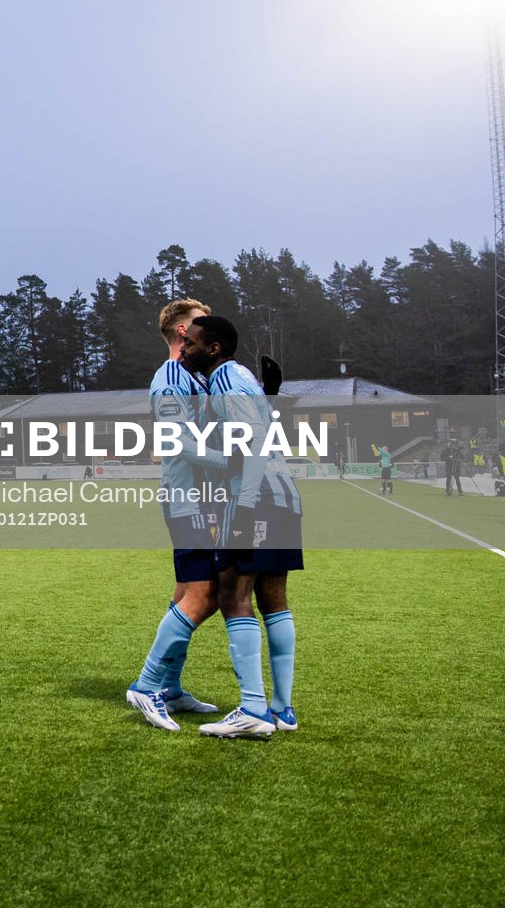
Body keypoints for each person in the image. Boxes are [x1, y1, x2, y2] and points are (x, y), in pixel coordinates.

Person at [180, 316, 303, 739]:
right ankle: (283, 710)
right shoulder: (242, 378)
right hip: (284, 492)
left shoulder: (225, 379)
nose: (184, 350)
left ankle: (252, 708)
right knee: (275, 599)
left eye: (191, 344)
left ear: (214, 348)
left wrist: (245, 502)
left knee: (234, 596)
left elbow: (248, 442)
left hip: (256, 497)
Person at [125, 298, 225, 731]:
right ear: (184, 332)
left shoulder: (193, 377)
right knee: (206, 596)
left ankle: (170, 686)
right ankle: (146, 687)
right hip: (188, 499)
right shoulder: (169, 379)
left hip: (202, 496)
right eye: (202, 322)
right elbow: (177, 443)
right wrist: (236, 462)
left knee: (186, 594)